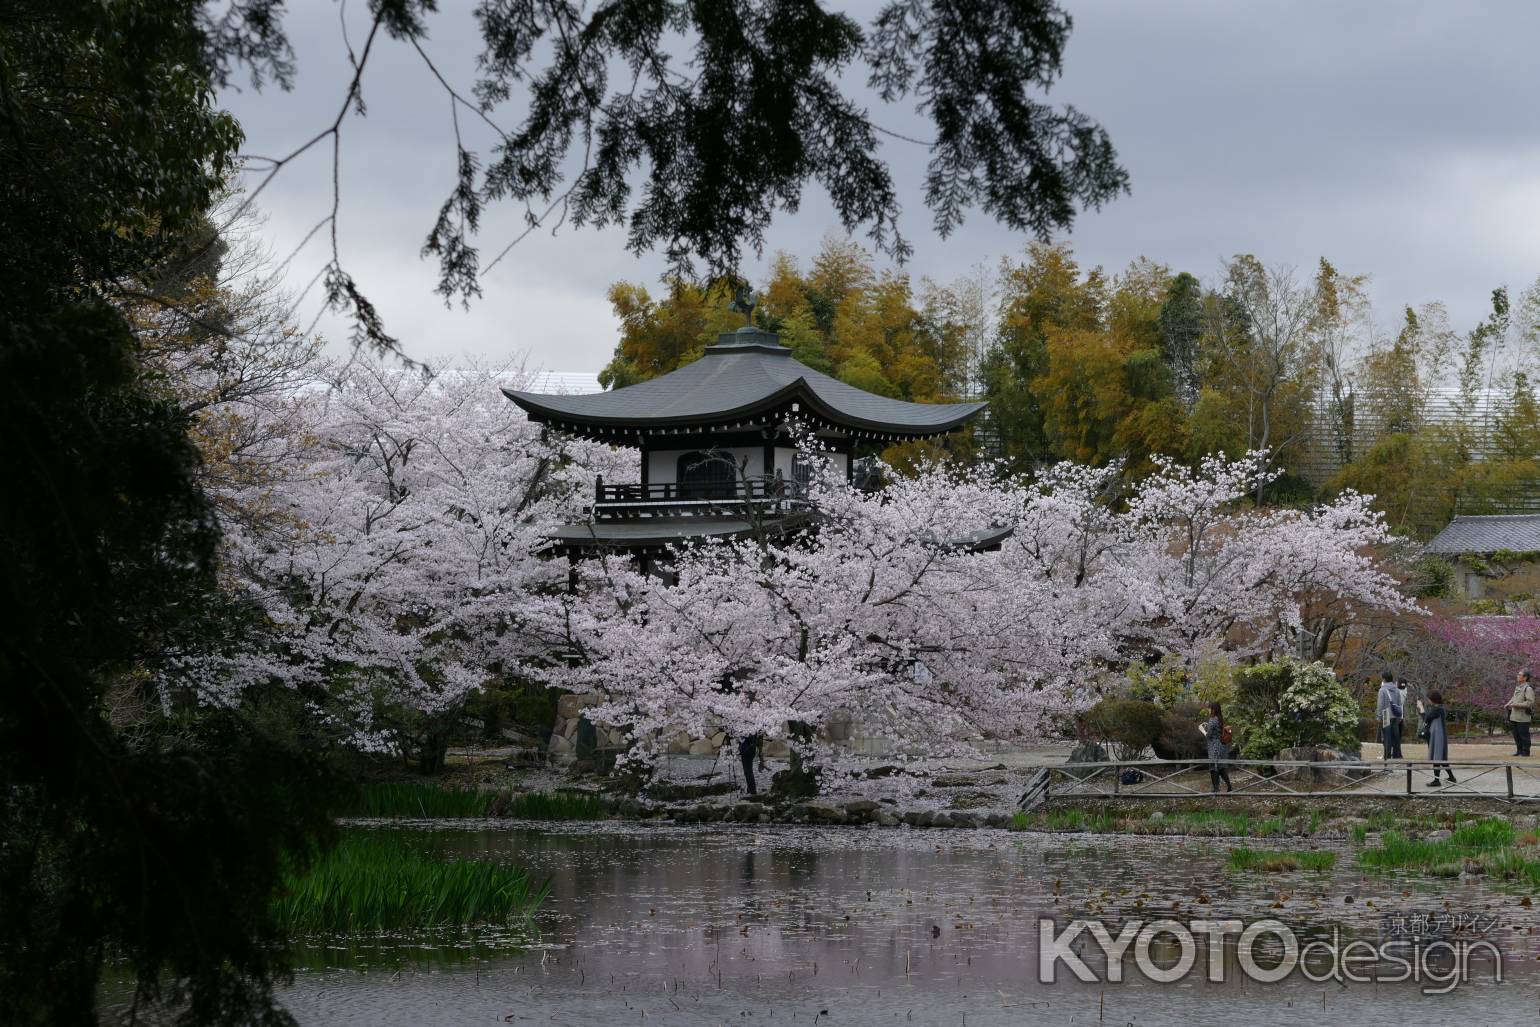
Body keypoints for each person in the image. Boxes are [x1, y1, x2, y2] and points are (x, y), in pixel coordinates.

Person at [1418, 691, 1455, 787]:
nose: (1428, 701)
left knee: (1437, 757)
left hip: (1438, 736)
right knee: (1442, 758)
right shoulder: (1439, 708)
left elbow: (1426, 718)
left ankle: (1436, 780)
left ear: (1433, 700)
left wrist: (1421, 707)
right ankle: (1452, 777)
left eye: (1429, 699)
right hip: (1438, 735)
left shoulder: (1437, 710)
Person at [1198, 701, 1233, 793]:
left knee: (1213, 768)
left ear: (1213, 709)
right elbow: (1216, 730)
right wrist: (1208, 725)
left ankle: (1215, 789)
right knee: (1221, 768)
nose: (1209, 709)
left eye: (1210, 708)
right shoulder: (1220, 718)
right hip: (1222, 747)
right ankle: (1229, 787)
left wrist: (1202, 730)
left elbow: (1208, 735)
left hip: (1214, 747)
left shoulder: (1213, 719)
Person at [1507, 669, 1535, 757]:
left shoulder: (1528, 688)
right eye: (1518, 674)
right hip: (1514, 716)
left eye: (1519, 675)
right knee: (1516, 735)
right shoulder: (1518, 687)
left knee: (1524, 735)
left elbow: (1530, 702)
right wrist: (1508, 703)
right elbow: (1514, 697)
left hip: (1523, 717)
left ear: (1525, 678)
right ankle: (1519, 751)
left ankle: (1526, 752)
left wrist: (1516, 704)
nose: (1517, 676)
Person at [1375, 672, 1400, 762]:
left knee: (1386, 737)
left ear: (1384, 679)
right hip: (1395, 715)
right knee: (1395, 737)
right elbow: (1399, 704)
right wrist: (1399, 716)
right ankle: (1396, 755)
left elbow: (1380, 705)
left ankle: (1387, 755)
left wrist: (1379, 716)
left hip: (1386, 714)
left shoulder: (1382, 690)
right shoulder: (1397, 690)